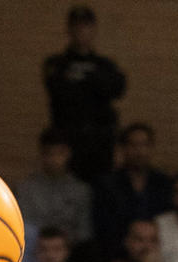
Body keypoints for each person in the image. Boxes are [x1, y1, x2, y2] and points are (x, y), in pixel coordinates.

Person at [42, 5, 127, 182]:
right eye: (77, 26)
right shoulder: (57, 64)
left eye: (86, 26)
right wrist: (92, 84)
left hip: (100, 145)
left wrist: (84, 81)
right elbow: (61, 93)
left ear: (94, 29)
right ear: (69, 29)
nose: (81, 31)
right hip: (68, 143)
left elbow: (117, 89)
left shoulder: (105, 65)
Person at [92, 121, 172, 262]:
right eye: (133, 145)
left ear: (151, 148)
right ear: (123, 149)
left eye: (144, 145)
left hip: (158, 257)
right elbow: (103, 230)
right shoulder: (107, 185)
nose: (139, 151)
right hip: (116, 258)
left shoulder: (164, 183)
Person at [16, 130, 92, 252]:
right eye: (49, 153)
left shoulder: (80, 190)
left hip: (69, 253)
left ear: (69, 153)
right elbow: (23, 228)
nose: (55, 159)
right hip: (33, 251)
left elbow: (83, 233)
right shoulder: (26, 187)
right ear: (42, 154)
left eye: (60, 153)